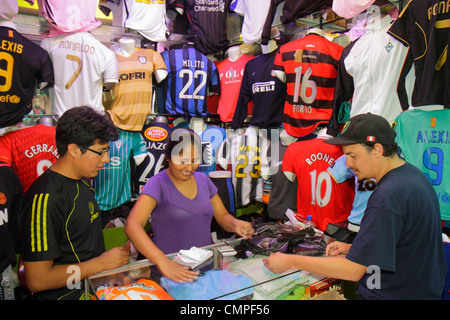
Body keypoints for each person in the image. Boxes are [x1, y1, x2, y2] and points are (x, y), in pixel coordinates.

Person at [263, 113, 447, 299]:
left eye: (352, 155)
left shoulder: (387, 197)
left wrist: (289, 261)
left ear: (377, 150)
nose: (348, 164)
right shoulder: (413, 176)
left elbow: (352, 271)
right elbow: (405, 242)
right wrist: (356, 249)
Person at [19, 106, 130, 300]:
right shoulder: (45, 199)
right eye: (101, 152)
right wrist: (101, 264)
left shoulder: (83, 181)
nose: (106, 159)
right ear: (74, 150)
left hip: (92, 291)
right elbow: (37, 279)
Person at [125, 128, 254, 283]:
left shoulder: (204, 180)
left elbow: (222, 216)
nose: (189, 167)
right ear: (168, 157)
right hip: (172, 273)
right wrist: (162, 261)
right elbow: (132, 226)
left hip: (207, 269)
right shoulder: (157, 184)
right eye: (183, 161)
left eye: (195, 160)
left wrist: (235, 224)